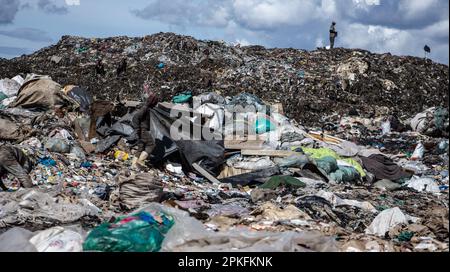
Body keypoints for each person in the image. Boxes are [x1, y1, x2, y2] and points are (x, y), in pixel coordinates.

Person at [131, 92, 159, 169]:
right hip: (142, 130)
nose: (156, 104)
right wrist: (137, 129)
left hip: (141, 130)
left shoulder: (145, 107)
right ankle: (140, 162)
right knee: (151, 145)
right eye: (155, 102)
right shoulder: (145, 108)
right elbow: (136, 117)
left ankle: (133, 165)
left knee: (141, 147)